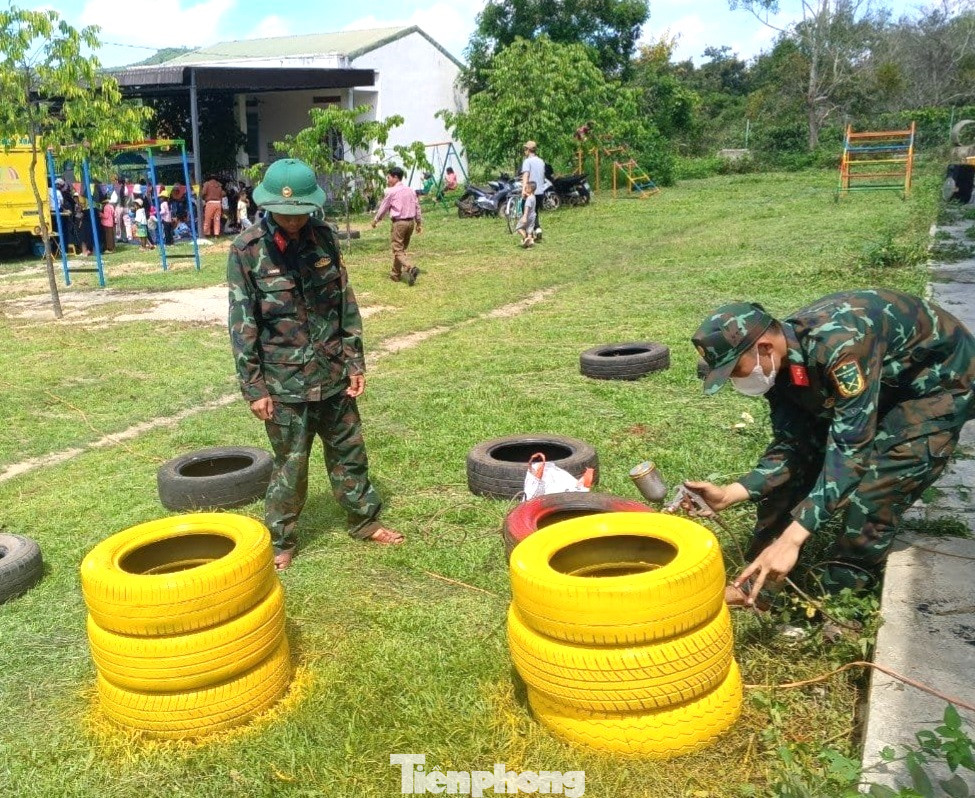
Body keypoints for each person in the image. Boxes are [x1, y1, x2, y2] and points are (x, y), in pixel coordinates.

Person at [688, 290, 975, 608]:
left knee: (875, 493)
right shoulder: (777, 366)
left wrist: (794, 537)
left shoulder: (839, 347)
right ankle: (758, 586)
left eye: (734, 370)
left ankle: (839, 609)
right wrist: (733, 492)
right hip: (885, 376)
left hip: (939, 380)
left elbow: (851, 452)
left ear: (764, 347)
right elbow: (793, 445)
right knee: (795, 474)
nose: (735, 381)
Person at [228, 158, 404, 571]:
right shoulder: (247, 251)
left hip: (333, 372)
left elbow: (345, 301)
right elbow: (242, 323)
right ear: (269, 206)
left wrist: (354, 360)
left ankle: (364, 519)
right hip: (283, 380)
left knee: (350, 451)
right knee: (291, 463)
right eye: (285, 212)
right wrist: (254, 387)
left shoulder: (324, 237)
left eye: (301, 211)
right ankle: (281, 539)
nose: (293, 220)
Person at [371, 166, 422, 286]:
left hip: (399, 223)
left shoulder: (391, 191)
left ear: (395, 177)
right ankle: (395, 275)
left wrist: (376, 220)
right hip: (410, 223)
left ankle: (410, 268)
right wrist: (418, 223)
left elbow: (383, 207)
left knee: (397, 250)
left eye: (388, 177)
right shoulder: (410, 190)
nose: (387, 180)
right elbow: (417, 207)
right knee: (401, 250)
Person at [520, 140, 546, 242]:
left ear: (528, 150)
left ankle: (528, 236)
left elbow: (526, 176)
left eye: (525, 149)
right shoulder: (541, 161)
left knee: (525, 212)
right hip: (540, 191)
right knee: (534, 212)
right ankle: (538, 229)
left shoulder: (527, 161)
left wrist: (523, 190)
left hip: (530, 192)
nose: (524, 151)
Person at [514, 181, 537, 248]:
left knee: (518, 228)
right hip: (533, 216)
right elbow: (530, 197)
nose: (525, 189)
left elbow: (527, 208)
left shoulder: (529, 199)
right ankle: (529, 244)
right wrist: (526, 195)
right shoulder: (533, 197)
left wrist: (524, 216)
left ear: (530, 189)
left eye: (526, 188)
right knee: (529, 230)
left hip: (527, 216)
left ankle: (525, 237)